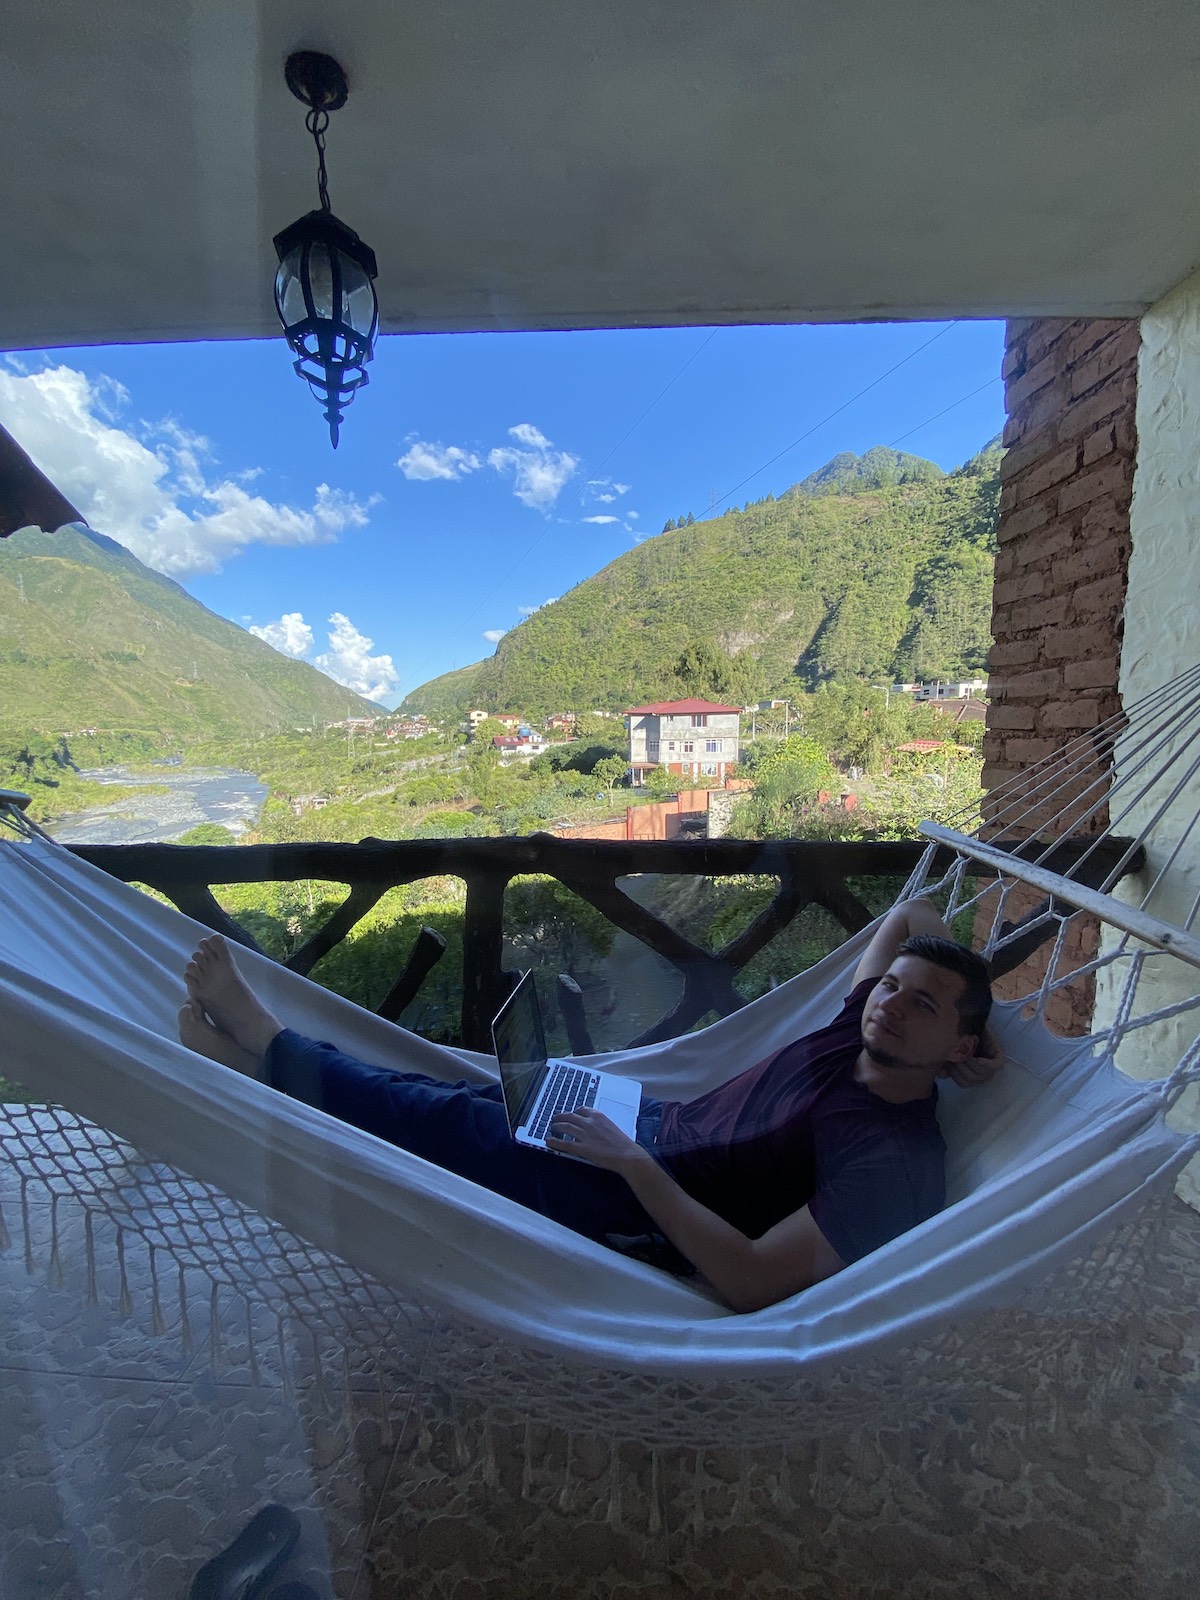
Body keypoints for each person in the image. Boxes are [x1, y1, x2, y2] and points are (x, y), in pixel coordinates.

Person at [179, 898, 1001, 1314]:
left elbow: (750, 1282)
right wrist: (965, 1026)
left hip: (632, 1195)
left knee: (431, 1121)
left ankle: (266, 1040)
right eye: (890, 985)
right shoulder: (852, 1031)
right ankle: (262, 1065)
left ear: (956, 1048)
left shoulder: (893, 1158)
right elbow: (910, 917)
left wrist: (633, 1165)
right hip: (640, 1125)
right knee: (447, 1095)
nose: (888, 1001)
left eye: (921, 1005)